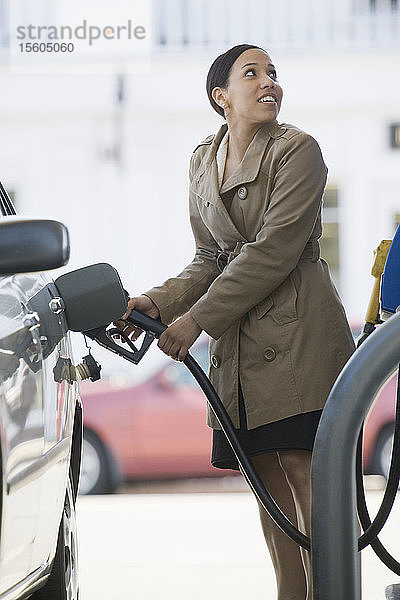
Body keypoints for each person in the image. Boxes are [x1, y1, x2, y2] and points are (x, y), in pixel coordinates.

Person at [116, 44, 355, 600]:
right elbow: (209, 258)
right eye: (253, 74)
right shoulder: (202, 161)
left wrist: (197, 320)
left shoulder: (297, 151)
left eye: (273, 73)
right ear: (220, 96)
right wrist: (158, 302)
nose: (269, 82)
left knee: (306, 476)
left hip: (300, 341)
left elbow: (273, 251)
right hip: (243, 354)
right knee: (268, 490)